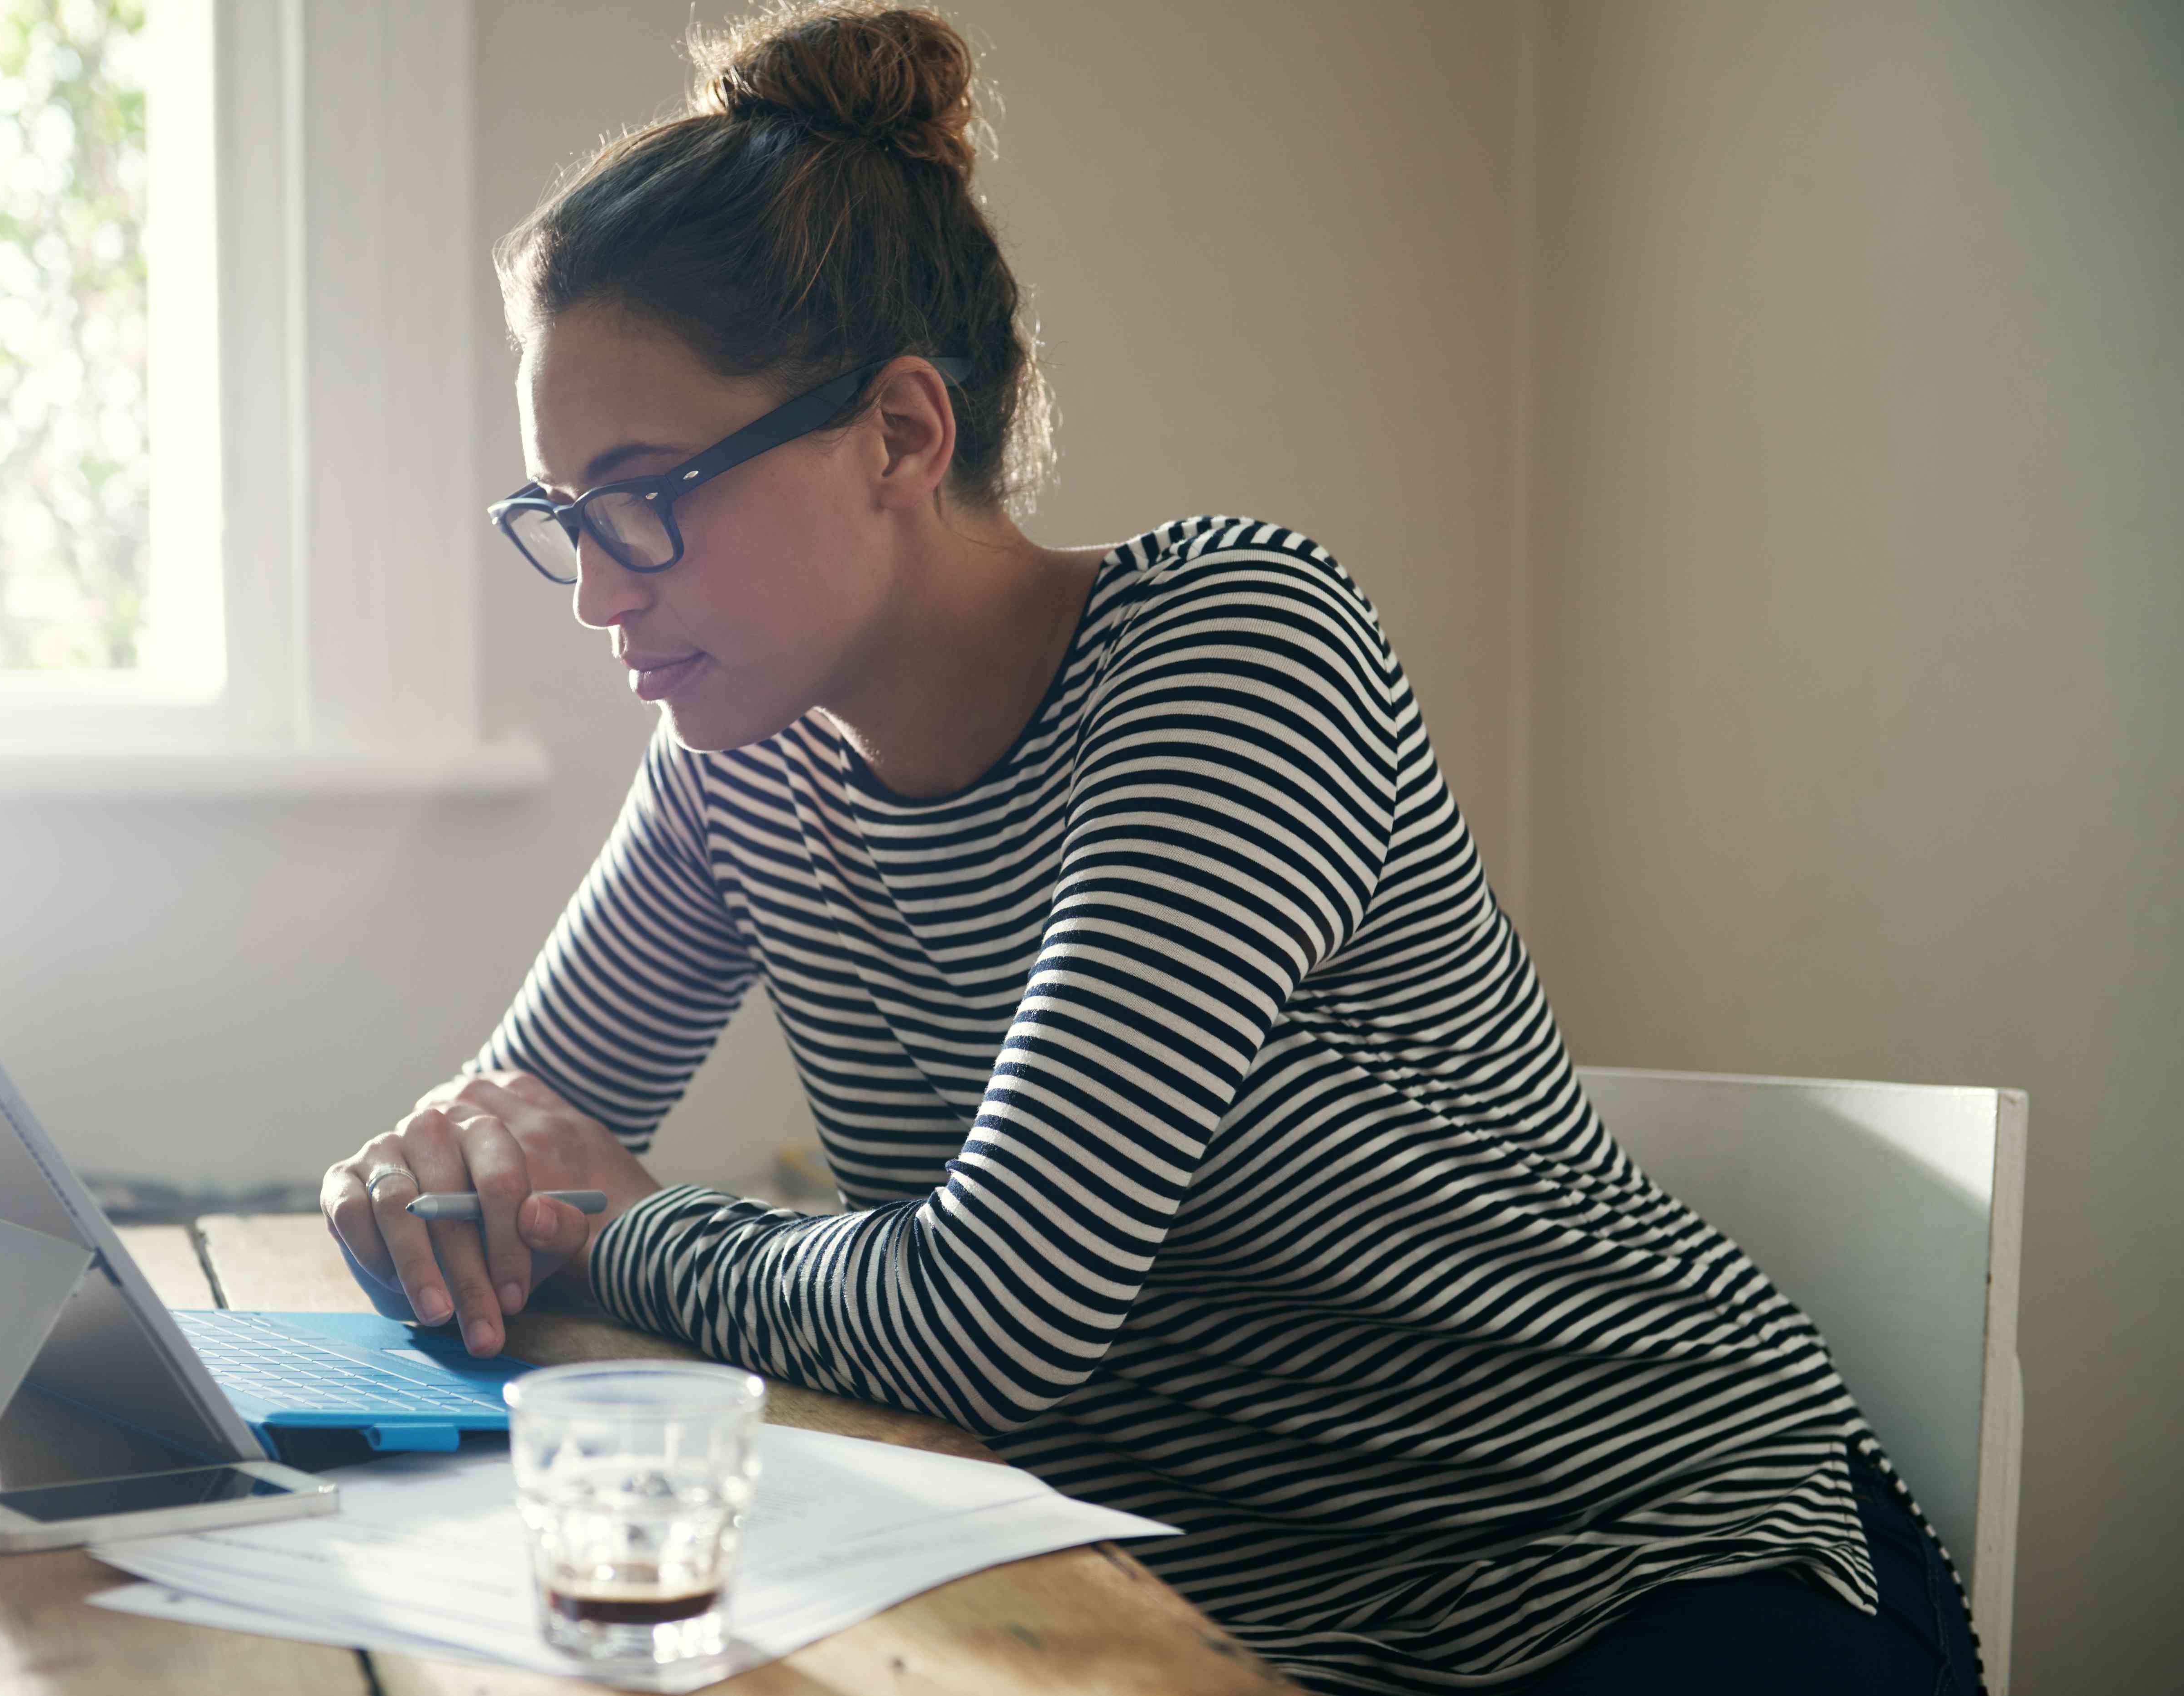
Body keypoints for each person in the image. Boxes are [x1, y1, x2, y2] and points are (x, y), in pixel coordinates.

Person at [319, 5, 1983, 1690]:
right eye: (563, 519)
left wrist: (610, 1227)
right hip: (1227, 1615)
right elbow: (514, 1152)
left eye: (643, 494)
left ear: (902, 432)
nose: (600, 588)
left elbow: (992, 1316)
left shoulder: (1232, 650)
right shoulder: (735, 765)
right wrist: (408, 1188)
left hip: (1634, 1561)